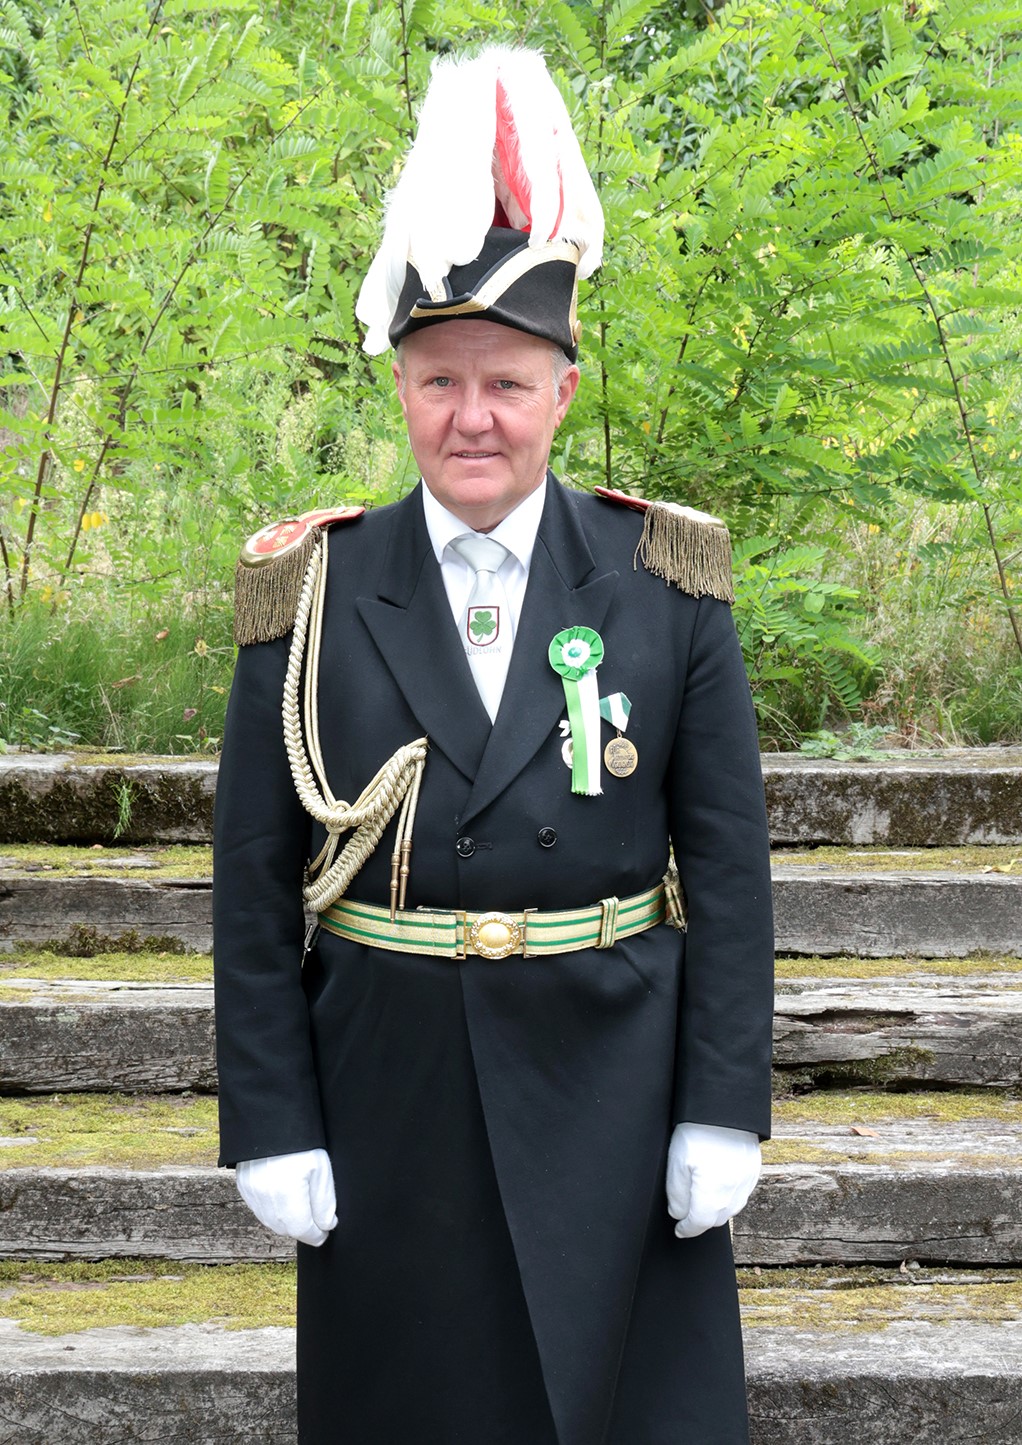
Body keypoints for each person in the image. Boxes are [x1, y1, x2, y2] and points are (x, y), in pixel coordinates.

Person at [213, 46, 774, 1445]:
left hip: (615, 1070)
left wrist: (724, 1106)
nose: (473, 418)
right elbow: (250, 883)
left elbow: (728, 869)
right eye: (440, 381)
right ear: (400, 388)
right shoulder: (313, 589)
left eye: (508, 384)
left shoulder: (663, 582)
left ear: (561, 393)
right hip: (390, 1082)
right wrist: (271, 1118)